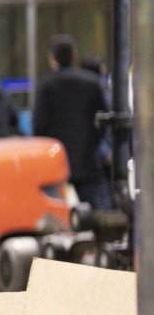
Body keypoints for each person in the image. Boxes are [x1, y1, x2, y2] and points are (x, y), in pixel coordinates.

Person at [33, 34, 113, 209]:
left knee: (57, 214)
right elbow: (103, 119)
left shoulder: (46, 86)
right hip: (88, 158)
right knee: (100, 211)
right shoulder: (92, 82)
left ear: (52, 57)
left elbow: (39, 125)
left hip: (57, 161)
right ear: (74, 55)